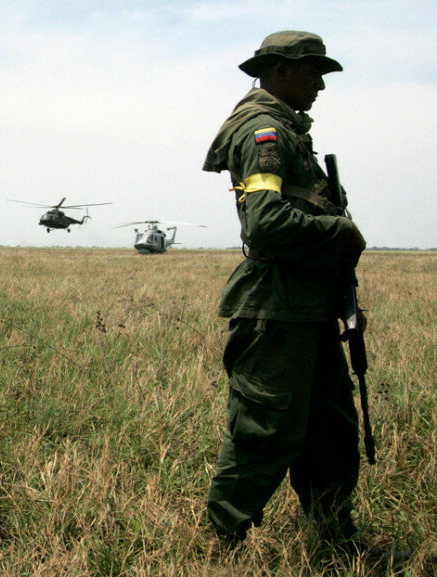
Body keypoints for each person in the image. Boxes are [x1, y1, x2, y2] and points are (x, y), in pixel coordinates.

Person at [202, 31, 368, 545]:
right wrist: (339, 232)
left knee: (331, 432)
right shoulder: (264, 132)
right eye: (312, 71)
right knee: (264, 431)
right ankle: (220, 539)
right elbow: (266, 223)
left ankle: (334, 536)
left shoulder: (290, 133)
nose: (320, 84)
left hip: (306, 307)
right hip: (275, 307)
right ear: (279, 73)